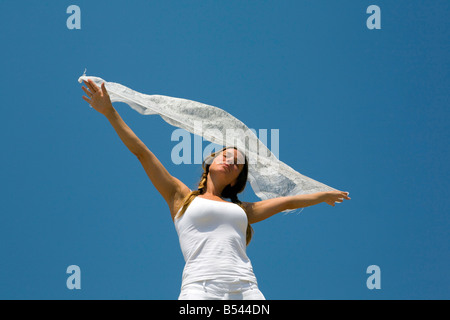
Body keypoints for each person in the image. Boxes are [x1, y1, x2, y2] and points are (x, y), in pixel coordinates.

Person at [81, 79, 351, 300]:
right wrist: (110, 112)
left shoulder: (242, 210)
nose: (232, 161)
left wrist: (323, 195)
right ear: (210, 161)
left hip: (246, 290)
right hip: (200, 289)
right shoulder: (180, 196)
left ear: (236, 181)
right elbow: (142, 153)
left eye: (238, 163)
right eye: (227, 155)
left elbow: (289, 202)